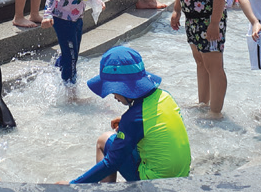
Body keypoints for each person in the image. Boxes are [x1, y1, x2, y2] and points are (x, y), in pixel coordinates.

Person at [71, 46, 191, 184]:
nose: (113, 95)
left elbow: (111, 163)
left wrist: (73, 186)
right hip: (182, 177)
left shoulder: (133, 119)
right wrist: (126, 124)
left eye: (113, 90)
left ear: (124, 87)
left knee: (103, 141)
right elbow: (159, 125)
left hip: (154, 185)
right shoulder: (166, 96)